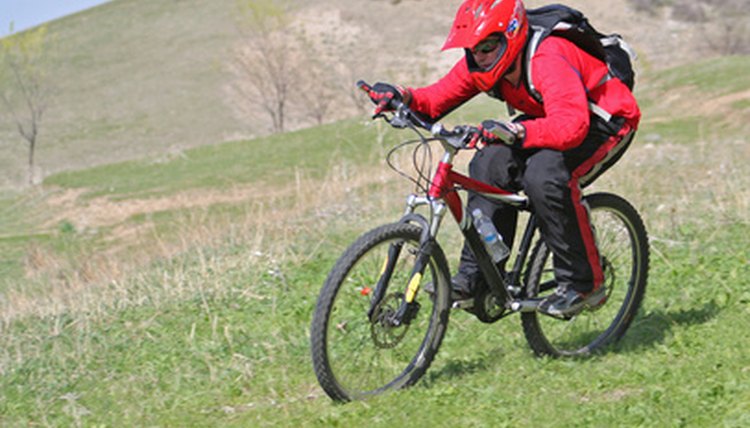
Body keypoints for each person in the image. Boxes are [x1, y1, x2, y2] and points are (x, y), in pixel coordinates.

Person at [364, 0, 640, 317]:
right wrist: (401, 96)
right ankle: (476, 278)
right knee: (486, 164)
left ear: (512, 37)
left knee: (544, 177)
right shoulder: (482, 63)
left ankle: (584, 284)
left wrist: (517, 132)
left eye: (487, 47)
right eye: (472, 50)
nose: (478, 57)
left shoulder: (547, 56)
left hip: (602, 121)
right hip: (552, 118)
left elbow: (572, 127)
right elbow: (434, 100)